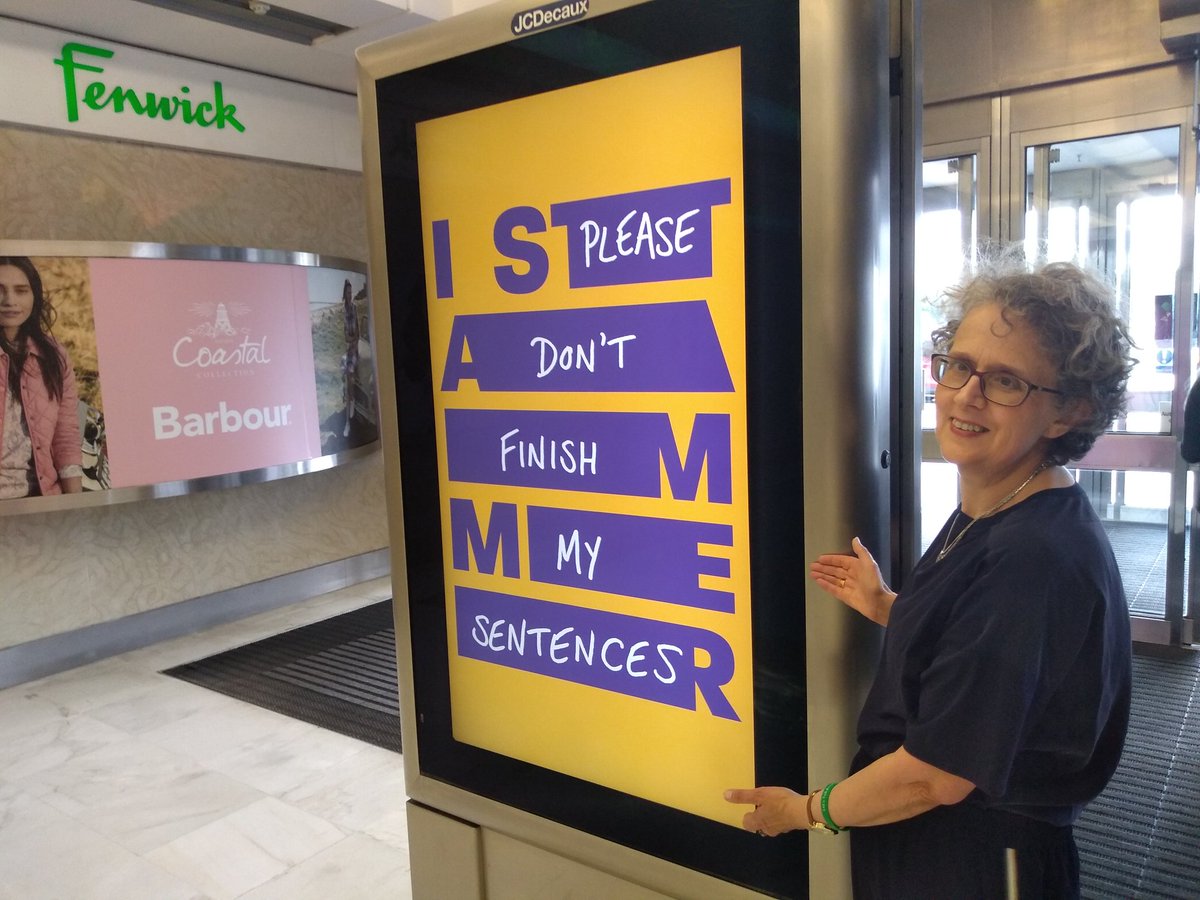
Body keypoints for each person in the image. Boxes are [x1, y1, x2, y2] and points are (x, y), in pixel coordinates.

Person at [726, 258, 1134, 899]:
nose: (966, 394)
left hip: (975, 859)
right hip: (942, 843)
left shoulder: (1033, 559)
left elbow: (936, 776)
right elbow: (988, 650)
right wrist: (888, 604)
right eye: (959, 365)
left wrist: (804, 811)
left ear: (1068, 413)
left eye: (1006, 381)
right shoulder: (999, 506)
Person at [0, 256, 83, 498]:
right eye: (0, 290)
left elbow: (65, 433)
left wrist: (74, 505)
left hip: (42, 497)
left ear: (34, 296)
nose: (10, 301)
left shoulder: (54, 355)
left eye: (21, 291)